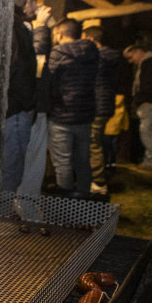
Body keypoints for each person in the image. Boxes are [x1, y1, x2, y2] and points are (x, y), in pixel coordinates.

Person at [47, 19, 98, 196]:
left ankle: (65, 206)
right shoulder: (92, 52)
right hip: (85, 114)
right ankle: (84, 200)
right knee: (83, 160)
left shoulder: (57, 53)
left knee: (63, 163)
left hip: (61, 114)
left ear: (60, 34)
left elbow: (51, 83)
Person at [2, 0, 38, 191]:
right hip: (14, 111)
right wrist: (27, 104)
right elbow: (19, 68)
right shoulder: (9, 22)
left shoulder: (13, 19)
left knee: (8, 175)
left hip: (12, 108)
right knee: (9, 176)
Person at [16, 0, 53, 200]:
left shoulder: (28, 28)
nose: (36, 6)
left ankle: (27, 203)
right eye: (31, 1)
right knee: (28, 160)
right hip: (26, 104)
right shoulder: (27, 29)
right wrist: (41, 28)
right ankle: (23, 206)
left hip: (35, 102)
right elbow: (36, 62)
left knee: (33, 160)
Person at [81, 26, 119, 194]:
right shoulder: (111, 57)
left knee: (93, 143)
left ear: (90, 38)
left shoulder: (97, 58)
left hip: (96, 105)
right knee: (98, 142)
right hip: (106, 105)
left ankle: (98, 182)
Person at [124, 40, 152, 171]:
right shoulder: (150, 62)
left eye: (131, 57)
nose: (130, 61)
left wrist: (145, 98)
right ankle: (151, 159)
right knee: (151, 132)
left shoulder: (150, 63)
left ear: (139, 52)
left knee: (147, 131)